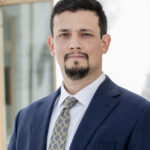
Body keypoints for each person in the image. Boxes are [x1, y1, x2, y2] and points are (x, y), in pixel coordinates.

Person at [8, 0, 150, 150]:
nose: (74, 44)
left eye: (85, 34)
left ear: (104, 43)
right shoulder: (25, 119)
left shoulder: (138, 114)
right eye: (64, 35)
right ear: (51, 45)